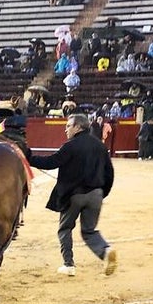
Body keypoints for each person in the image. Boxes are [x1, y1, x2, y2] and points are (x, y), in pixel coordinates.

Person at [28, 113, 117, 277]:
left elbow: (50, 163)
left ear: (78, 127)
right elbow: (109, 173)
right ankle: (105, 251)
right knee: (89, 231)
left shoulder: (70, 146)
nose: (65, 129)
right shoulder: (100, 146)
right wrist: (101, 193)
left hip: (75, 195)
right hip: (96, 194)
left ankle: (68, 265)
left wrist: (28, 157)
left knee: (65, 228)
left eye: (68, 125)